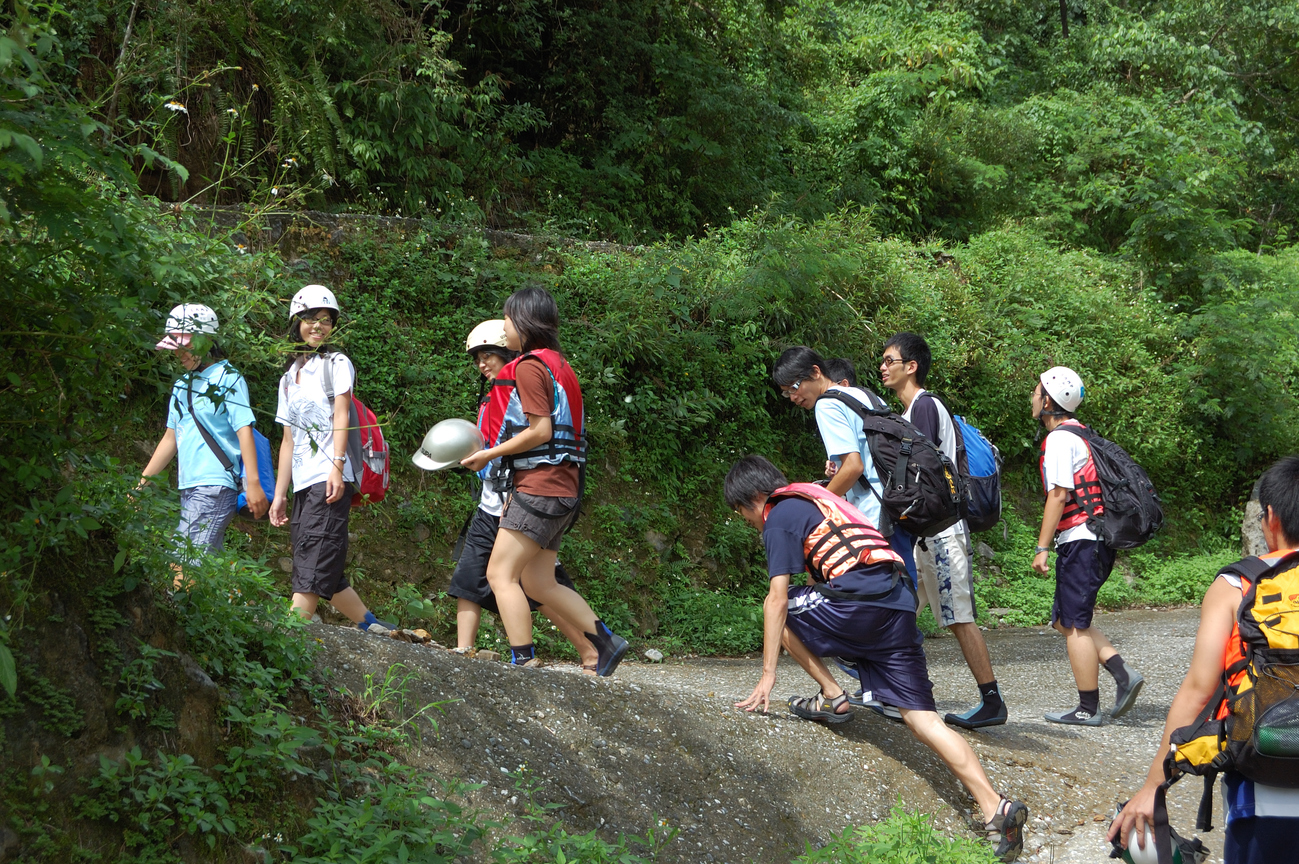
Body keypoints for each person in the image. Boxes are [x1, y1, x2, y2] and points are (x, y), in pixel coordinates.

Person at [725, 455, 1029, 863]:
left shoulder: (778, 512)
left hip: (860, 603)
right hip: (897, 602)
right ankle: (995, 807)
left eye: (743, 513)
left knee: (777, 612)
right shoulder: (818, 504)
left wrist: (767, 676)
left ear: (756, 498)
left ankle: (833, 695)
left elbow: (778, 598)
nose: (748, 521)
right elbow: (833, 570)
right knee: (922, 719)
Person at [1108, 456, 1299, 862]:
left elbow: (1199, 691)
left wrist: (1153, 787)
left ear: (1270, 517)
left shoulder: (1237, 584)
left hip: (1263, 794)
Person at [459, 287, 628, 675]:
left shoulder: (527, 366)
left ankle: (523, 660)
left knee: (500, 574)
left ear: (524, 322)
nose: (504, 327)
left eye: (507, 319)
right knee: (538, 582)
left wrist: (489, 454)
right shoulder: (559, 364)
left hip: (539, 486)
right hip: (564, 487)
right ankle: (605, 641)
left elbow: (540, 430)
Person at [442, 320, 598, 670]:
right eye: (477, 359)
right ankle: (463, 652)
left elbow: (531, 439)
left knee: (539, 587)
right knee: (468, 579)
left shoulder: (522, 387)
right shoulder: (491, 398)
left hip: (523, 501)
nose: (482, 364)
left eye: (489, 355)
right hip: (489, 503)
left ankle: (591, 649)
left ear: (508, 352)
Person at [879, 333, 1006, 728]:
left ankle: (992, 701)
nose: (882, 367)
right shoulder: (913, 411)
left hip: (944, 532)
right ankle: (890, 691)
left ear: (910, 366)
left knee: (958, 617)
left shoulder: (926, 407)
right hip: (924, 533)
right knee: (901, 607)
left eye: (889, 360)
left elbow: (919, 473)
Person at [269, 285, 392, 633]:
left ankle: (287, 639)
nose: (317, 327)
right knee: (321, 562)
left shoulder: (336, 364)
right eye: (310, 319)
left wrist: (337, 467)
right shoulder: (287, 378)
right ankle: (372, 627)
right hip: (303, 481)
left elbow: (342, 415)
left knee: (311, 560)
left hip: (328, 475)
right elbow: (288, 440)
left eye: (325, 321)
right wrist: (280, 493)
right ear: (296, 322)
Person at [771, 346, 920, 624]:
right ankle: (904, 652)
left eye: (794, 387)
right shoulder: (863, 394)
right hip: (901, 503)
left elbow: (853, 466)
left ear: (816, 372)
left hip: (874, 514)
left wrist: (818, 503)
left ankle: (890, 657)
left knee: (879, 604)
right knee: (902, 592)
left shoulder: (827, 404)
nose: (792, 397)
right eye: (785, 392)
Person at [1032, 367, 1142, 725]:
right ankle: (1122, 672)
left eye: (1037, 392)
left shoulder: (1061, 440)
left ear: (1048, 400)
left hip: (1081, 538)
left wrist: (1042, 546)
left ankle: (1087, 709)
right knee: (1066, 621)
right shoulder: (1082, 435)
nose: (1033, 397)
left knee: (1075, 626)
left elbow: (1060, 494)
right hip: (1090, 539)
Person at [140, 304, 269, 585]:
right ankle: (222, 620)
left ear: (207, 339)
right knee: (205, 565)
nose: (180, 354)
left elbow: (244, 429)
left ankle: (180, 618)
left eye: (185, 345)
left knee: (183, 560)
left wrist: (253, 483)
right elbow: (170, 439)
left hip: (215, 485)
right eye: (176, 347)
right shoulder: (182, 385)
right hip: (188, 485)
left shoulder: (228, 377)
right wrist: (141, 485)